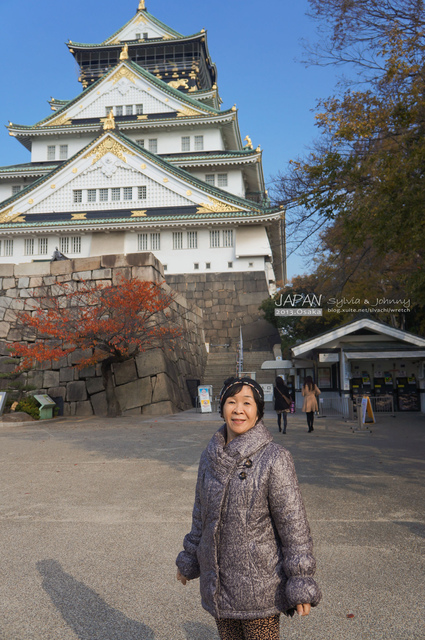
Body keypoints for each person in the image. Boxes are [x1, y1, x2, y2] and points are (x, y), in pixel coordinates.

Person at [176, 376, 321, 640]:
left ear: (258, 411)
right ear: (222, 408)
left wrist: (300, 580)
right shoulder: (210, 457)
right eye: (232, 402)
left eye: (247, 403)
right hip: (219, 584)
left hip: (260, 585)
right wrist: (189, 560)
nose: (238, 409)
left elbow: (293, 525)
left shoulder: (274, 458)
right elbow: (201, 515)